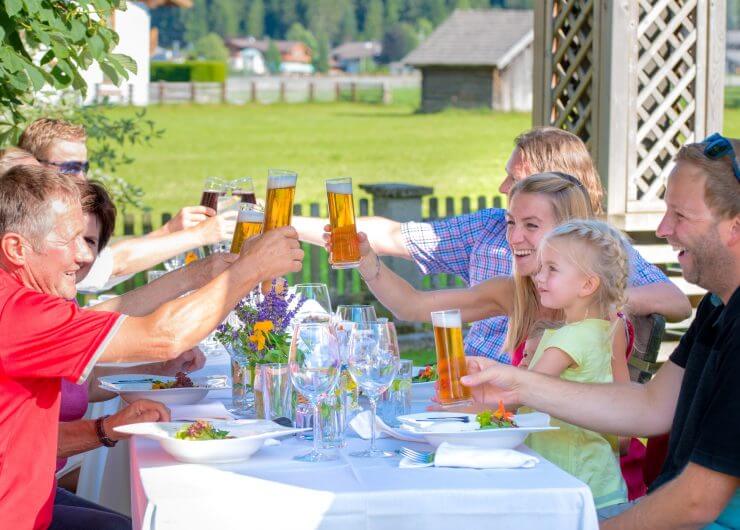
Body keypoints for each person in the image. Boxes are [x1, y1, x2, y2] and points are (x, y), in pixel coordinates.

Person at [0, 165, 303, 529]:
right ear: (16, 248)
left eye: (87, 240)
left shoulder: (18, 301)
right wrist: (251, 270)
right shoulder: (19, 312)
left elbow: (22, 440)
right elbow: (166, 336)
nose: (83, 257)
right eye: (69, 241)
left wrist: (106, 428)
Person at [460, 135, 740, 528]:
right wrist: (519, 385)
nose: (663, 229)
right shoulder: (718, 305)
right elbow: (649, 407)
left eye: (680, 215)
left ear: (735, 227)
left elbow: (698, 501)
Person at [296, 126, 691, 361]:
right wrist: (365, 259)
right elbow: (412, 303)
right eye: (511, 221)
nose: (513, 235)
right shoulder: (510, 287)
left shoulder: (603, 272)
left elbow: (620, 421)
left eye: (530, 223)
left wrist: (591, 298)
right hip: (484, 406)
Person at [18, 118, 238, 292]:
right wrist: (199, 236)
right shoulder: (27, 225)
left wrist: (168, 231)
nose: (81, 178)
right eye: (70, 167)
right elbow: (116, 264)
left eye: (84, 167)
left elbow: (109, 263)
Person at [516, 219, 632, 509]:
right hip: (597, 482)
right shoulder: (601, 329)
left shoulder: (571, 339)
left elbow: (522, 390)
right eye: (541, 267)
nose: (539, 277)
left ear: (588, 284)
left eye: (551, 269)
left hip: (575, 488)